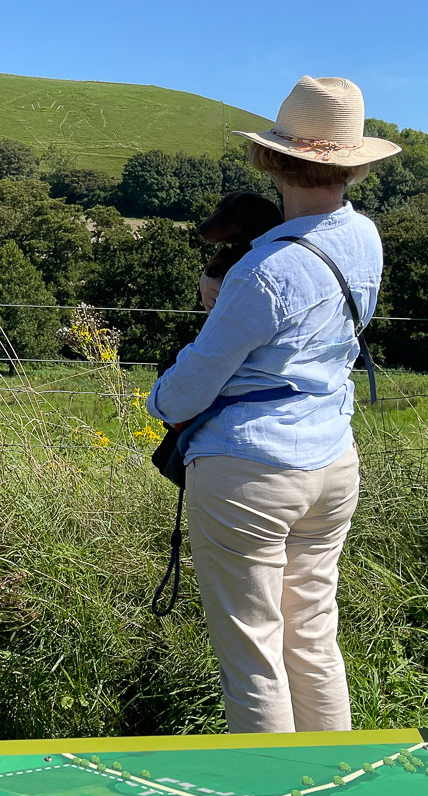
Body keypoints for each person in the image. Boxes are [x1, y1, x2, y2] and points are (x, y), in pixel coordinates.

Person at [145, 76, 400, 733]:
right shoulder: (365, 238)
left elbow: (187, 392)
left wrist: (167, 382)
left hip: (249, 473)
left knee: (254, 658)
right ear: (351, 161)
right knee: (312, 641)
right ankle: (335, 793)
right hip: (333, 462)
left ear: (274, 159)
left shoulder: (264, 269)